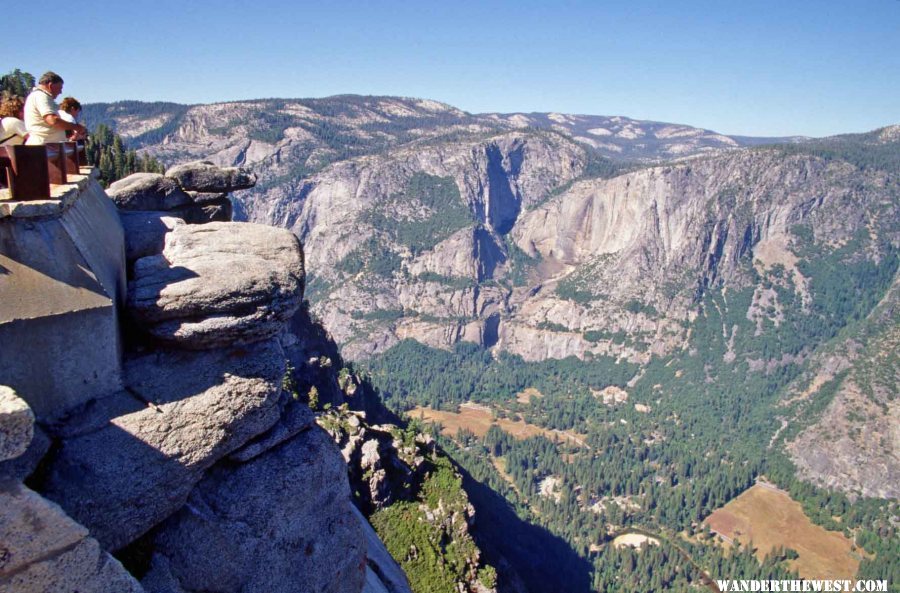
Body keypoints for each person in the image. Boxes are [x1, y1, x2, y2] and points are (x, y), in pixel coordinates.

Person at [23, 71, 86, 145]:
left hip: (46, 146)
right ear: (50, 85)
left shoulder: (36, 96)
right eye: (59, 88)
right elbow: (52, 120)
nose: (60, 92)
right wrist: (76, 127)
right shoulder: (42, 96)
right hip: (43, 147)